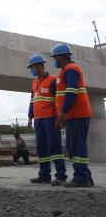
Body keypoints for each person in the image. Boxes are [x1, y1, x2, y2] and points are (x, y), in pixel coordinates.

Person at [51, 43, 94, 187]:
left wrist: (63, 113)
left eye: (55, 57)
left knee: (76, 146)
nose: (54, 60)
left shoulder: (70, 69)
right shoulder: (65, 71)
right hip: (73, 115)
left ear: (62, 57)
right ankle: (86, 177)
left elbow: (71, 92)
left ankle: (81, 178)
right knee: (73, 146)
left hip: (77, 114)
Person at [27, 54, 67, 185]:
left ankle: (61, 175)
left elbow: (59, 100)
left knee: (54, 146)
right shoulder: (34, 83)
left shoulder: (53, 80)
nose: (31, 70)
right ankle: (44, 175)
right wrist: (30, 118)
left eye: (32, 67)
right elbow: (32, 102)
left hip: (50, 118)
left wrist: (60, 117)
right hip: (38, 120)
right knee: (42, 148)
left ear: (39, 66)